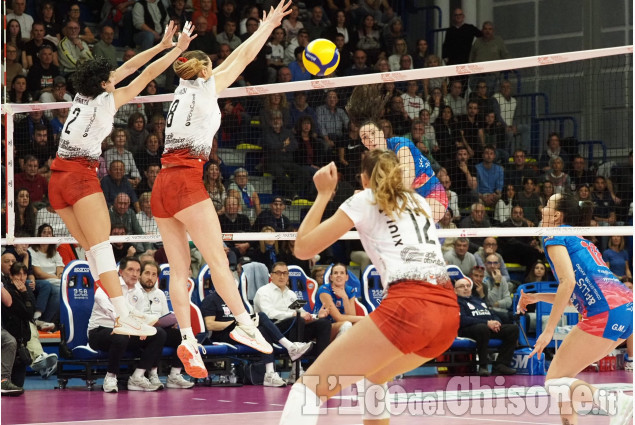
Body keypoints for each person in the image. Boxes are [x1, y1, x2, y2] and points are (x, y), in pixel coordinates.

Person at [150, 1, 294, 380]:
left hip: (160, 186)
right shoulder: (203, 90)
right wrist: (267, 27)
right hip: (184, 183)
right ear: (203, 70)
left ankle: (187, 338)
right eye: (210, 64)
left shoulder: (179, 90)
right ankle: (246, 324)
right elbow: (242, 58)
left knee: (179, 274)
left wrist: (178, 47)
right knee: (218, 262)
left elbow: (219, 63)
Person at [279, 149, 459, 424]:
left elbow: (303, 249)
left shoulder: (364, 198)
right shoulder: (420, 202)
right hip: (447, 314)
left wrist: (324, 194)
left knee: (308, 389)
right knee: (376, 375)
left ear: (365, 179)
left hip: (410, 306)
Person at [47, 21, 194, 338]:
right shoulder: (106, 101)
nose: (114, 78)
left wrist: (161, 45)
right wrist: (178, 50)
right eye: (109, 79)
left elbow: (127, 66)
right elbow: (144, 75)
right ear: (103, 84)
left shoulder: (81, 95)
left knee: (91, 251)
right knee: (101, 250)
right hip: (78, 176)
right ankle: (124, 314)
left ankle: (117, 311)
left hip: (57, 180)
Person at [518, 192, 634, 425]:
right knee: (564, 380)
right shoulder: (580, 239)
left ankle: (616, 403)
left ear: (557, 215)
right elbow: (576, 295)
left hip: (605, 311)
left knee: (553, 381)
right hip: (625, 307)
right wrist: (536, 297)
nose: (543, 209)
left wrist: (548, 331)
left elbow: (567, 282)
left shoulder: (554, 234)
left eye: (548, 205)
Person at [346, 84, 448, 223]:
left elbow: (407, 176)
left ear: (382, 133)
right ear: (363, 142)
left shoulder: (399, 143)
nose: (370, 139)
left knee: (410, 221)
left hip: (432, 195)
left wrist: (380, 197)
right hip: (405, 202)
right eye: (365, 137)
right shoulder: (372, 161)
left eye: (373, 133)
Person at [200, 288, 314, 387]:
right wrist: (236, 322)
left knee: (262, 330)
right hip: (224, 334)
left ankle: (269, 374)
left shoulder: (235, 300)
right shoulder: (211, 299)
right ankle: (290, 346)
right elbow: (210, 325)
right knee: (261, 316)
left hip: (241, 331)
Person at [87, 257, 167, 393]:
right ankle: (111, 377)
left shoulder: (138, 292)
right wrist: (121, 325)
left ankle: (138, 376)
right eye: (130, 270)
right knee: (121, 335)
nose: (135, 274)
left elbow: (138, 314)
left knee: (158, 333)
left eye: (137, 270)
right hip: (100, 331)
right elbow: (106, 305)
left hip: (127, 331)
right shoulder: (107, 285)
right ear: (121, 272)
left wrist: (144, 328)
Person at [453, 269, 518, 376]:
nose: (465, 288)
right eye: (461, 286)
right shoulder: (456, 301)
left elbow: (492, 313)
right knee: (482, 328)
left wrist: (496, 322)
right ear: (455, 290)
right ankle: (483, 366)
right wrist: (487, 323)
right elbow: (463, 320)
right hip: (469, 330)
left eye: (468, 286)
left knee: (513, 329)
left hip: (486, 327)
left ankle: (501, 365)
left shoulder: (478, 300)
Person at [313, 263, 363, 340]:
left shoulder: (350, 290)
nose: (338, 275)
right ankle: (338, 351)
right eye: (335, 273)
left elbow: (352, 315)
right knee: (347, 325)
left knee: (355, 325)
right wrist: (365, 318)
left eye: (342, 273)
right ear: (331, 277)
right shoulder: (324, 290)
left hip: (339, 325)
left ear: (346, 277)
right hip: (322, 327)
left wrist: (345, 297)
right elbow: (338, 318)